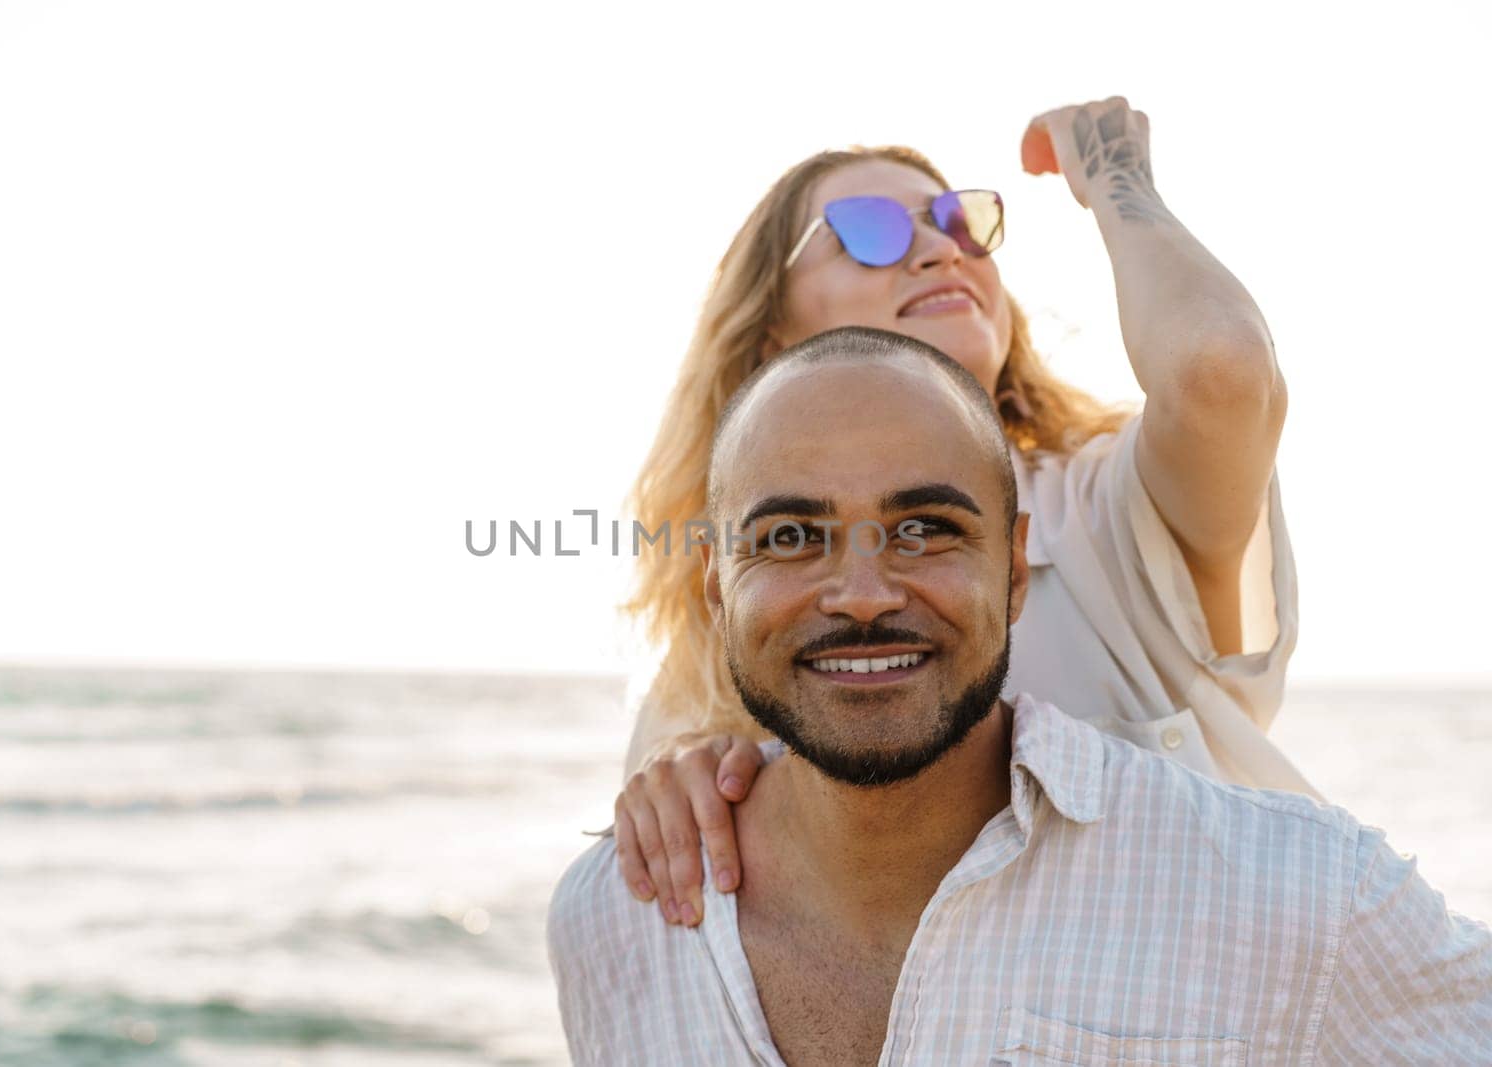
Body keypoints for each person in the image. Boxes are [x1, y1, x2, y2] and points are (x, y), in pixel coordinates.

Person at [548, 328, 1492, 1065]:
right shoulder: (612, 920)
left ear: (1014, 572)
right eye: (793, 536)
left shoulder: (1301, 897)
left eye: (925, 527)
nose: (866, 593)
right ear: (717, 586)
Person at [614, 98, 1313, 929]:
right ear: (769, 332)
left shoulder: (1112, 509)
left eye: (961, 222)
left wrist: (1115, 173)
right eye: (872, 229)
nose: (941, 248)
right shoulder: (723, 627)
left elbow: (1221, 369)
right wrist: (674, 774)